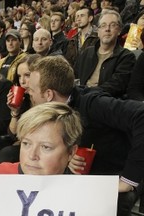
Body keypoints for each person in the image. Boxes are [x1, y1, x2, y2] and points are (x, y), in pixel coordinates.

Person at [26, 55, 144, 216]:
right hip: (83, 177)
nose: (28, 93)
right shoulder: (48, 111)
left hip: (115, 174)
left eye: (31, 90)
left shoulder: (93, 103)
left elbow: (141, 116)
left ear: (48, 95)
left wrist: (128, 180)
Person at [0, 102, 82, 174]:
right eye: (26, 143)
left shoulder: (84, 194)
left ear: (71, 152)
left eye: (46, 147)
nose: (32, 156)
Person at [74, 9, 136, 98]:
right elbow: (75, 76)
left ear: (119, 30)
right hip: (81, 98)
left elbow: (116, 86)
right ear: (98, 31)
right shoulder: (87, 52)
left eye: (112, 25)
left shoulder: (126, 56)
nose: (107, 29)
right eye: (103, 25)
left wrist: (86, 92)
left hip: (104, 102)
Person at [0, 54, 41, 163]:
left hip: (41, 147)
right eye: (19, 76)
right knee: (6, 153)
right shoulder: (24, 99)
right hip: (27, 145)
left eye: (27, 75)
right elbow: (13, 135)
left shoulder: (47, 97)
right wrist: (15, 112)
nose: (22, 81)